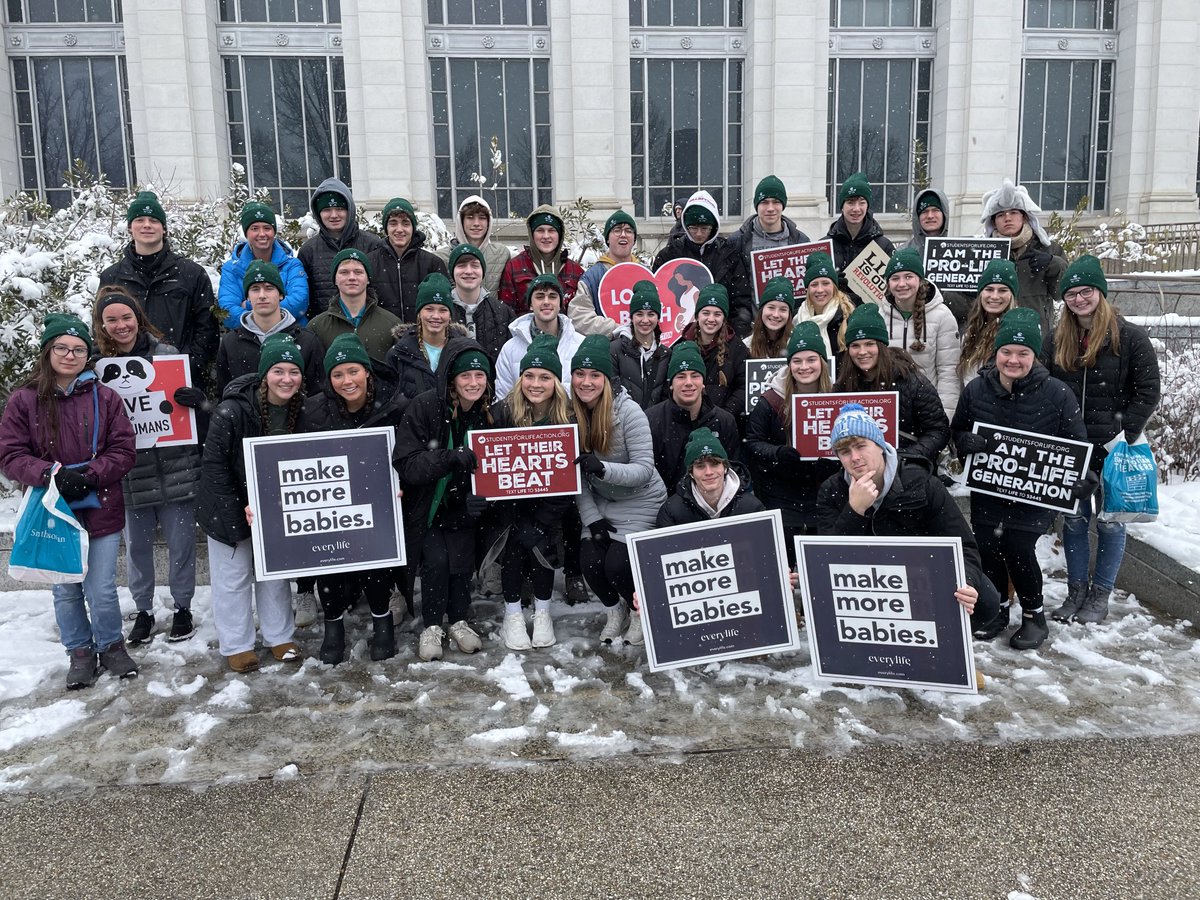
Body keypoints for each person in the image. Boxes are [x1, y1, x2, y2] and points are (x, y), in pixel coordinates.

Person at [0, 314, 138, 689]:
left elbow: (124, 449)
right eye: (62, 347)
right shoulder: (25, 399)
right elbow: (10, 454)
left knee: (102, 588)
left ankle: (111, 645)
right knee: (64, 586)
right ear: (47, 351)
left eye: (79, 349)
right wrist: (51, 475)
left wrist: (92, 474)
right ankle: (79, 651)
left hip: (101, 503)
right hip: (51, 508)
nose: (70, 355)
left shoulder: (106, 397)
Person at [952, 308, 1089, 649]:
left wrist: (1083, 480)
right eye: (1006, 352)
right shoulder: (976, 391)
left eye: (1022, 353)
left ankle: (1033, 614)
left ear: (1034, 356)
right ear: (995, 353)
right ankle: (997, 607)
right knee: (988, 547)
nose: (1013, 360)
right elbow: (958, 430)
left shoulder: (1057, 394)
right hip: (990, 487)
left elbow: (1078, 444)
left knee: (1017, 547)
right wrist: (965, 443)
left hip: (1034, 493)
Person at [816, 403, 1004, 638]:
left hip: (919, 575)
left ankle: (944, 644)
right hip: (866, 582)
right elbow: (825, 559)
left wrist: (967, 582)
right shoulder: (832, 490)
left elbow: (964, 545)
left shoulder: (922, 483)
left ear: (880, 446)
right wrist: (855, 511)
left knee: (984, 599)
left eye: (861, 446)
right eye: (845, 452)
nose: (855, 458)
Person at [1049, 255, 1161, 625]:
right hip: (1072, 448)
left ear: (1101, 292)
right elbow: (1046, 386)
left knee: (1111, 521)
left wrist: (1122, 436)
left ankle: (1101, 594)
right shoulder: (1058, 337)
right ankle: (1076, 590)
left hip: (1115, 448)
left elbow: (1147, 390)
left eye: (1087, 291)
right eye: (1072, 293)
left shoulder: (1129, 336)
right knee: (1075, 521)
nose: (1079, 299)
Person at [92, 287, 205, 645]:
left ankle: (183, 607)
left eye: (126, 317)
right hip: (128, 475)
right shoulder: (96, 369)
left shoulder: (168, 356)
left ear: (138, 318)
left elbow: (192, 413)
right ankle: (143, 611)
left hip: (176, 468)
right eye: (112, 319)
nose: (121, 325)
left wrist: (197, 402)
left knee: (182, 544)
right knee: (137, 549)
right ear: (102, 325)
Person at [196, 333, 306, 672]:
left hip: (276, 509)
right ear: (263, 375)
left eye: (293, 371)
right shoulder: (231, 412)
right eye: (278, 371)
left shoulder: (303, 410)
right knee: (234, 577)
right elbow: (215, 467)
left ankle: (280, 635)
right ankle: (237, 643)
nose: (286, 379)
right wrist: (237, 512)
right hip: (228, 506)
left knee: (274, 575)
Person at [304, 334, 407, 664]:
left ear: (367, 372)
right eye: (337, 374)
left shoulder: (394, 405)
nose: (346, 381)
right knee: (329, 561)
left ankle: (382, 621)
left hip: (379, 504)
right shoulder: (314, 411)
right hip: (332, 505)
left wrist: (401, 483)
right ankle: (333, 627)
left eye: (353, 372)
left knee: (373, 556)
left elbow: (406, 454)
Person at [393, 338, 494, 660]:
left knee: (461, 563)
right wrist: (448, 458)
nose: (473, 383)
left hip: (462, 507)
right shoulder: (425, 406)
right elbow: (407, 463)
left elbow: (499, 467)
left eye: (480, 376)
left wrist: (483, 499)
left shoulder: (490, 413)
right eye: (466, 376)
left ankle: (459, 620)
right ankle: (432, 625)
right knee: (436, 562)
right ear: (452, 378)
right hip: (427, 505)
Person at [570, 335, 667, 646]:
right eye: (580, 374)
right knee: (590, 560)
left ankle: (641, 610)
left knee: (617, 564)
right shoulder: (570, 415)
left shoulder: (629, 413)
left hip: (641, 500)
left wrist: (603, 468)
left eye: (594, 375)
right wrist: (591, 518)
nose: (586, 382)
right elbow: (575, 477)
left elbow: (644, 470)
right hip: (602, 502)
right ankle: (617, 610)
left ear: (607, 379)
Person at [486, 335, 575, 651]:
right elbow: (491, 471)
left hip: (551, 507)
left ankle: (542, 610)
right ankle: (511, 613)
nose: (536, 384)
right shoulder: (501, 414)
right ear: (520, 378)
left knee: (542, 537)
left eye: (544, 377)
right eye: (529, 376)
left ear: (555, 381)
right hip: (509, 506)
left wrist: (542, 518)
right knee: (514, 539)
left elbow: (568, 479)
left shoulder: (567, 416)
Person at [98, 191, 219, 391]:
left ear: (163, 228)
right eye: (140, 220)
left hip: (180, 377)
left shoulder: (191, 273)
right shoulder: (112, 277)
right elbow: (101, 328)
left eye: (154, 220)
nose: (147, 225)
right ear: (130, 228)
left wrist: (188, 366)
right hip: (126, 379)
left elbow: (206, 329)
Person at [744, 321, 839, 561]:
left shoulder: (838, 397)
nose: (804, 367)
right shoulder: (771, 400)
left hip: (823, 492)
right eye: (797, 361)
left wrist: (835, 460)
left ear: (822, 362)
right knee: (784, 560)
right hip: (781, 493)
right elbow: (753, 442)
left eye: (811, 360)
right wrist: (778, 454)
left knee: (821, 560)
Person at [834, 303, 949, 468]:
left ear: (881, 345)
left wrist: (909, 457)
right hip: (858, 470)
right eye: (855, 346)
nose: (862, 352)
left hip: (907, 471)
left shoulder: (911, 381)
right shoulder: (842, 386)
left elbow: (939, 431)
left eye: (869, 344)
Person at [652, 190, 754, 337]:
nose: (699, 233)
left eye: (705, 228)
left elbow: (740, 301)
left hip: (720, 336)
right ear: (686, 226)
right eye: (693, 228)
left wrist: (733, 337)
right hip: (679, 335)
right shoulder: (669, 255)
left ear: (714, 227)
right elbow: (660, 297)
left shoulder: (729, 255)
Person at [216, 260, 324, 396]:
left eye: (269, 288)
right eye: (255, 289)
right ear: (248, 297)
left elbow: (317, 396)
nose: (262, 295)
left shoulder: (306, 341)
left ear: (281, 295)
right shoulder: (230, 342)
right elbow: (223, 394)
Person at [645, 341, 742, 492]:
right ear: (671, 383)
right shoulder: (652, 420)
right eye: (681, 376)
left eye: (695, 376)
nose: (688, 383)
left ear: (703, 382)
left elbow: (733, 472)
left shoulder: (724, 421)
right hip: (665, 504)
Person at [980, 178, 1066, 344]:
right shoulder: (982, 251)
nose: (1007, 218)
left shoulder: (1048, 249)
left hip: (1036, 335)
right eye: (1001, 214)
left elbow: (1061, 293)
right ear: (993, 221)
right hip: (992, 336)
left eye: (1013, 212)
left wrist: (1053, 264)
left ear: (1025, 217)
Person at [880, 248, 961, 421]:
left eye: (908, 276)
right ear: (888, 284)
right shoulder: (878, 316)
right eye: (895, 278)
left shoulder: (942, 316)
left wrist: (944, 417)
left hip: (927, 410)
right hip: (888, 410)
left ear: (920, 280)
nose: (902, 284)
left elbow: (948, 372)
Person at [297, 177, 387, 324]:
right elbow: (307, 300)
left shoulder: (372, 244)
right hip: (325, 331)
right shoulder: (308, 251)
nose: (334, 215)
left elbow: (383, 290)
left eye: (339, 208)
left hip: (368, 327)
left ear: (349, 210)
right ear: (318, 213)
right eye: (327, 209)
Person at [217, 201, 309, 325]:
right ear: (246, 233)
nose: (262, 234)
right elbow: (228, 311)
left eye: (267, 228)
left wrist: (249, 305)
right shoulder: (232, 268)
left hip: (291, 335)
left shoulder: (292, 264)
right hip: (248, 338)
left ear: (274, 231)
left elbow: (299, 302)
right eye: (255, 228)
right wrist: (260, 324)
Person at [494, 274, 585, 398]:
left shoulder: (580, 345)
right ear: (530, 304)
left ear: (561, 304)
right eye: (540, 297)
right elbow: (503, 400)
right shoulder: (510, 349)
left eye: (552, 296)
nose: (546, 302)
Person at [306, 248, 403, 362]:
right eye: (344, 272)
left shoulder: (392, 324)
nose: (352, 277)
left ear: (368, 279)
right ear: (335, 280)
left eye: (358, 272)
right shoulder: (316, 327)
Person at [385, 273, 464, 410]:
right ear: (419, 313)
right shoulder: (398, 354)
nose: (436, 316)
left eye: (443, 310)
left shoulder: (463, 350)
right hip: (412, 428)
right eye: (429, 309)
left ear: (450, 314)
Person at [657, 428, 764, 528]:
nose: (709, 472)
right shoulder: (672, 511)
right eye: (700, 466)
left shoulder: (751, 507)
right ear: (691, 473)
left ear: (725, 467)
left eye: (715, 464)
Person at [726, 175, 812, 300]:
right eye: (764, 202)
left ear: (783, 205)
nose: (770, 208)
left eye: (776, 202)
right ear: (757, 206)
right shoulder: (737, 242)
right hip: (752, 317)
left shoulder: (801, 241)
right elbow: (735, 291)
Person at [368, 197, 449, 323]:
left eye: (405, 223)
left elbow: (444, 305)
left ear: (413, 227)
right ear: (386, 227)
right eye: (393, 223)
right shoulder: (370, 263)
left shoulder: (432, 264)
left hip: (422, 337)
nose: (399, 229)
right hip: (382, 338)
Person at [676, 283, 748, 420]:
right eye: (706, 313)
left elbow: (743, 386)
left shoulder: (737, 348)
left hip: (724, 422)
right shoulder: (682, 345)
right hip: (687, 420)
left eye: (717, 314)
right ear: (697, 316)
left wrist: (725, 414)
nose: (711, 319)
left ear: (724, 318)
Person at [900, 187, 971, 328]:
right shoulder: (902, 253)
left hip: (951, 328)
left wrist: (943, 294)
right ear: (917, 216)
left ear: (944, 214)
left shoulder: (961, 251)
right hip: (911, 329)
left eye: (935, 210)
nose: (930, 216)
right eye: (925, 211)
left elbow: (970, 305)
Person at [569, 209, 645, 336]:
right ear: (607, 239)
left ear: (634, 239)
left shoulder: (645, 273)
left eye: (628, 231)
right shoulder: (593, 277)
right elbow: (579, 317)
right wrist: (619, 329)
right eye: (617, 230)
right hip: (608, 350)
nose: (623, 234)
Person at [497, 205, 584, 316]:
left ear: (560, 235)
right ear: (532, 234)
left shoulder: (574, 270)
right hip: (525, 332)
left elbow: (580, 312)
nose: (546, 236)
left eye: (551, 230)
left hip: (565, 332)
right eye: (540, 230)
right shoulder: (514, 267)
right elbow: (506, 312)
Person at [825, 172, 895, 293]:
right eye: (850, 202)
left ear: (867, 206)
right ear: (842, 206)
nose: (856, 209)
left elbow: (894, 287)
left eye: (862, 202)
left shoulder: (884, 246)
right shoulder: (826, 245)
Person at [446, 242, 512, 363]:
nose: (469, 271)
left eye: (475, 265)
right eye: (461, 265)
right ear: (452, 271)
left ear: (482, 271)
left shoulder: (502, 312)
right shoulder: (443, 311)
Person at [956, 258, 1019, 385]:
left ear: (1012, 295)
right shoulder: (972, 330)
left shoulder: (1017, 331)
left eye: (1002, 290)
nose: (995, 296)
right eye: (989, 289)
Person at [609, 280, 669, 409]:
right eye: (639, 314)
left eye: (651, 314)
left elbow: (666, 398)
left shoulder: (666, 354)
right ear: (631, 317)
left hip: (655, 424)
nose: (645, 320)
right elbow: (612, 393)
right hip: (624, 423)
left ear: (658, 318)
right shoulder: (614, 350)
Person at [436, 194, 511, 295]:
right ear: (461, 221)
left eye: (482, 218)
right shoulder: (441, 257)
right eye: (470, 217)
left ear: (489, 222)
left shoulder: (501, 254)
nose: (476, 223)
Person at [793, 251, 858, 361]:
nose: (820, 290)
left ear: (834, 287)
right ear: (807, 289)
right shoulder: (795, 318)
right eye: (814, 284)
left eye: (825, 283)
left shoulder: (850, 316)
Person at [745, 275, 797, 359]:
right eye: (771, 308)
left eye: (783, 310)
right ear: (762, 310)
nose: (776, 315)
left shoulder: (796, 345)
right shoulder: (746, 347)